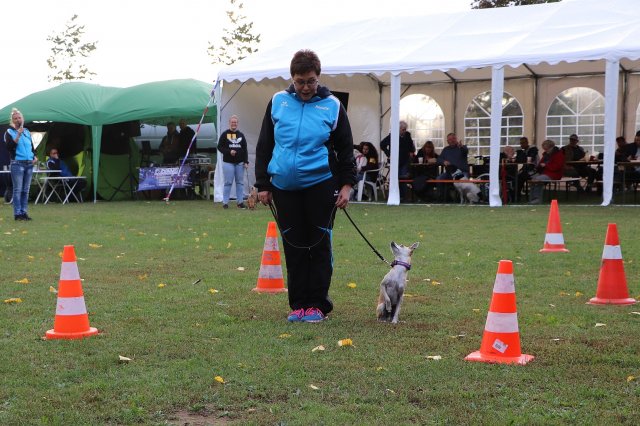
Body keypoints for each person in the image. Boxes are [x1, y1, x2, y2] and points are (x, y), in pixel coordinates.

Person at [255, 49, 356, 323]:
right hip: (284, 187)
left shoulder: (333, 105)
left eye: (311, 81)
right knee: (295, 245)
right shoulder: (278, 102)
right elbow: (265, 144)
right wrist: (263, 184)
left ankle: (318, 305)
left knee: (319, 245)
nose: (305, 87)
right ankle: (298, 305)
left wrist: (346, 185)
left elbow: (346, 149)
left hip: (321, 185)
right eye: (300, 81)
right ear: (292, 78)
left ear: (318, 77)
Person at [4, 108, 37, 220]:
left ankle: (24, 212)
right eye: (15, 118)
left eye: (19, 118)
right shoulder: (9, 132)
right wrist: (17, 135)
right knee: (18, 189)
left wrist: (34, 156)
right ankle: (17, 214)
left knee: (25, 190)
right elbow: (9, 147)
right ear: (12, 120)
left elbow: (31, 147)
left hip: (29, 164)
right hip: (17, 164)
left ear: (22, 119)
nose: (18, 120)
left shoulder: (27, 131)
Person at [217, 115, 249, 209]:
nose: (234, 124)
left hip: (240, 163)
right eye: (232, 122)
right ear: (229, 123)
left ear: (237, 123)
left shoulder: (241, 135)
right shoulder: (225, 134)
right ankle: (225, 203)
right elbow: (219, 147)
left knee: (240, 183)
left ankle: (240, 203)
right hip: (228, 162)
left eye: (235, 122)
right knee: (228, 182)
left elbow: (245, 149)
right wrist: (229, 151)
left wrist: (246, 161)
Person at [380, 120, 415, 201]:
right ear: (398, 129)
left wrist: (411, 152)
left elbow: (411, 146)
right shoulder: (392, 135)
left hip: (405, 161)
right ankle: (394, 196)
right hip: (395, 161)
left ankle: (403, 197)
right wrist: (389, 154)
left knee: (403, 179)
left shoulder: (407, 135)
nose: (404, 131)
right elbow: (382, 144)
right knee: (394, 179)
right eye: (403, 129)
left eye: (405, 129)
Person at [528, 139, 565, 204]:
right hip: (545, 173)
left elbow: (557, 167)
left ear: (551, 147)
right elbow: (540, 163)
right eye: (544, 149)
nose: (545, 151)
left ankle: (537, 198)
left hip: (554, 174)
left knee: (538, 179)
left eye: (546, 149)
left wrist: (545, 165)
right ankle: (532, 198)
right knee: (532, 178)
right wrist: (538, 166)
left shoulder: (559, 154)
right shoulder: (546, 155)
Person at [436, 133, 469, 201]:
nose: (452, 140)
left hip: (461, 172)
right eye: (450, 139)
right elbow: (439, 159)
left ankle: (464, 199)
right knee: (439, 178)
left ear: (456, 139)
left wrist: (461, 146)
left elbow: (465, 150)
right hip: (449, 173)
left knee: (464, 181)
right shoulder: (446, 149)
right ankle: (442, 198)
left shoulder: (462, 147)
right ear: (447, 141)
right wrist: (443, 161)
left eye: (453, 138)